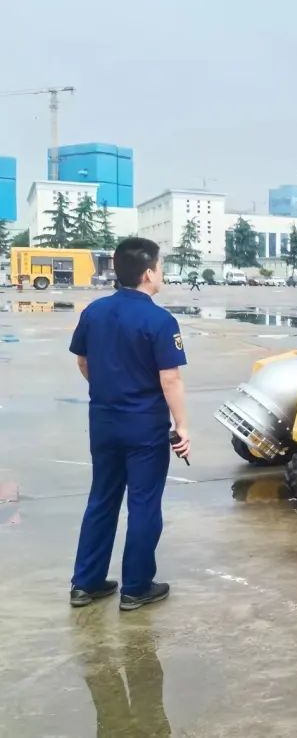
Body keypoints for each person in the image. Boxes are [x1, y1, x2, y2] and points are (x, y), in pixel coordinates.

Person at [68, 238, 190, 611]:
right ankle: (136, 587)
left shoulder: (94, 312)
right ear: (149, 272)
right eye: (161, 267)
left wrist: (109, 391)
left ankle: (85, 583)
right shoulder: (159, 319)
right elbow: (170, 379)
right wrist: (182, 426)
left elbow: (83, 362)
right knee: (143, 503)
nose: (162, 273)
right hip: (144, 426)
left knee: (102, 498)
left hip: (104, 420)